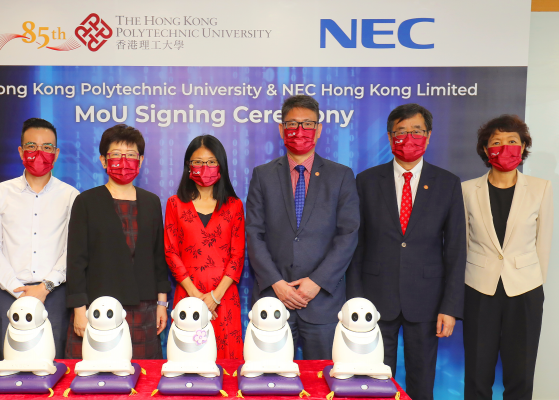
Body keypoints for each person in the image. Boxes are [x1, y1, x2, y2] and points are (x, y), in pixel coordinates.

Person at [347, 103, 466, 400]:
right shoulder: (366, 180)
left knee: (422, 381)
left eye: (416, 131)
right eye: (401, 132)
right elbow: (355, 245)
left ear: (428, 136)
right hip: (374, 299)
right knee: (374, 380)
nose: (408, 138)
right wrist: (356, 300)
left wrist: (450, 307)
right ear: (389, 138)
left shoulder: (448, 183)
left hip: (426, 300)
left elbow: (455, 249)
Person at [246, 95, 360, 360]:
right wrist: (277, 283)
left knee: (322, 381)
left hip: (322, 303)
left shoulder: (341, 176)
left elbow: (348, 235)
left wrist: (316, 282)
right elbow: (254, 233)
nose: (300, 131)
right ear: (281, 128)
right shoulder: (262, 175)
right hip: (273, 301)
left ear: (319, 129)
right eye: (292, 124)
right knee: (270, 382)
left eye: (308, 124)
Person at [462, 115, 552, 400]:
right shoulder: (466, 190)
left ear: (523, 145)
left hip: (525, 290)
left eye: (512, 141)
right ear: (486, 150)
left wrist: (535, 286)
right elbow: (462, 245)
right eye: (496, 142)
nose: (505, 147)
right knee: (477, 375)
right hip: (478, 289)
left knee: (521, 376)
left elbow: (543, 244)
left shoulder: (541, 188)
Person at [66, 124, 171, 359]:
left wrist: (162, 304)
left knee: (143, 381)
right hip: (97, 309)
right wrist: (79, 311)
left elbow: (158, 258)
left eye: (131, 155)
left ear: (141, 160)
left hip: (143, 308)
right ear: (103, 160)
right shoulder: (86, 202)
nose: (123, 162)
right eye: (115, 155)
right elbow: (76, 261)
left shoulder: (152, 202)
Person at [0, 118, 79, 360]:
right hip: (8, 293)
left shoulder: (71, 196)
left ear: (56, 154)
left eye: (47, 147)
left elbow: (73, 250)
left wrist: (45, 287)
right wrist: (18, 290)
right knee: (8, 369)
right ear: (20, 151)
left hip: (54, 295)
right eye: (31, 146)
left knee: (52, 367)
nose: (39, 153)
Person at [164, 135, 245, 359]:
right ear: (188, 166)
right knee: (187, 360)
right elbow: (171, 252)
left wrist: (214, 298)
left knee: (227, 363)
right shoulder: (175, 204)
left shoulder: (234, 205)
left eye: (211, 162)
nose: (204, 167)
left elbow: (237, 255)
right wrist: (195, 295)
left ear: (220, 165)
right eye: (197, 162)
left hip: (224, 298)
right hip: (188, 296)